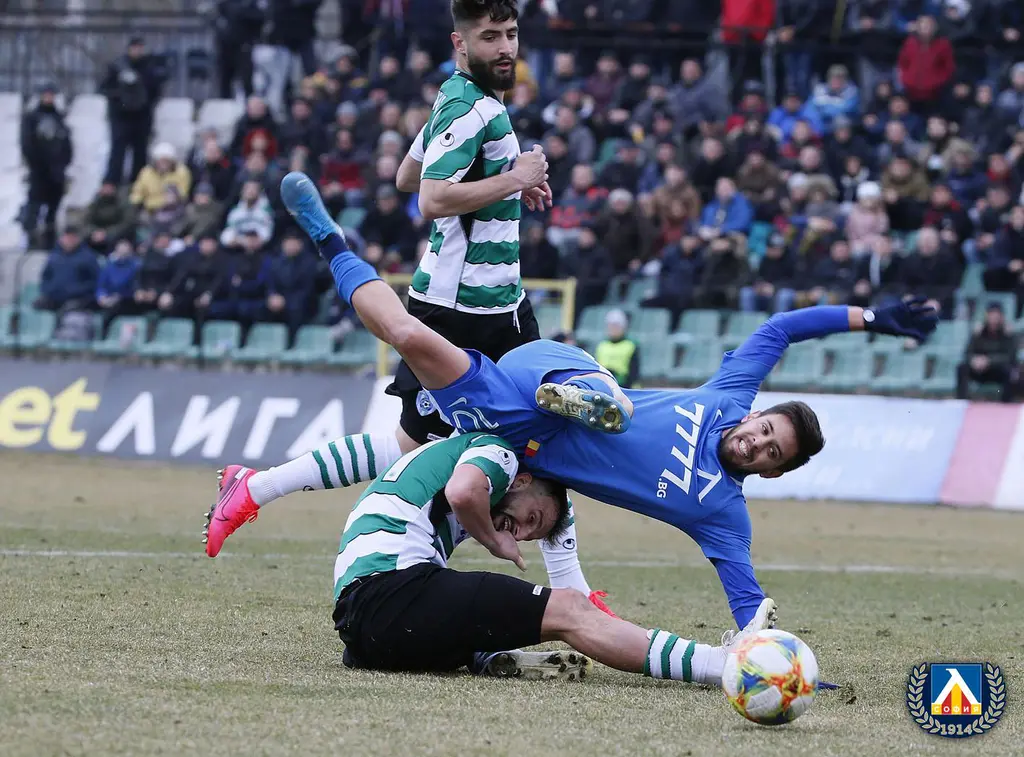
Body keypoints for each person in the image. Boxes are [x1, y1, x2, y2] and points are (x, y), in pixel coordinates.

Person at [218, 172, 939, 632]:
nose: (755, 442)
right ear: (755, 414)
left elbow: (746, 597)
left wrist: (770, 652)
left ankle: (329, 241)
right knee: (600, 409)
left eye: (769, 453)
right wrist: (873, 318)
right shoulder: (726, 398)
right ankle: (588, 398)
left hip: (516, 425)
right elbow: (780, 328)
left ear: (771, 472)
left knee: (407, 341)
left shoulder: (721, 512)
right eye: (764, 428)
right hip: (553, 371)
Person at [204, 0, 608, 618]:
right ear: (459, 43)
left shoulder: (467, 101)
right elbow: (430, 198)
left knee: (522, 434)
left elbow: (405, 174)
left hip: (501, 304)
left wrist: (506, 183)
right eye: (490, 36)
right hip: (461, 311)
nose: (505, 47)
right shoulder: (469, 107)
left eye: (510, 34)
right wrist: (514, 176)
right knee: (474, 438)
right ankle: (256, 486)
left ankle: (256, 486)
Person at [206, 432, 777, 681]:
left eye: (531, 534)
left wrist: (585, 600)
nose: (521, 534)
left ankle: (482, 653)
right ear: (522, 479)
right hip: (390, 595)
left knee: (563, 608)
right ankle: (723, 665)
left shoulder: (457, 449)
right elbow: (463, 494)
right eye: (531, 518)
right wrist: (496, 541)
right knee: (567, 614)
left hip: (367, 631)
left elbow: (573, 586)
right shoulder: (498, 454)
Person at [100, 37, 165, 185]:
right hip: (120, 116)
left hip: (142, 116)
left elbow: (156, 91)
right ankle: (112, 185)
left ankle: (138, 185)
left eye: (140, 47)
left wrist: (144, 100)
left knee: (140, 153)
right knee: (117, 153)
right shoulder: (117, 66)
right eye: (134, 47)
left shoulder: (149, 67)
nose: (137, 51)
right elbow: (105, 88)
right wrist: (121, 97)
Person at [20, 82, 71, 249]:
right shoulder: (32, 118)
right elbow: (27, 143)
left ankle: (49, 240)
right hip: (39, 169)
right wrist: (36, 163)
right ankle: (31, 239)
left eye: (51, 95)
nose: (49, 98)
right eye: (46, 95)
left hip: (57, 170)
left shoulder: (58, 117)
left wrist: (64, 163)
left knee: (53, 207)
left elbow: (66, 143)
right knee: (34, 205)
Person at [956, 303, 1018, 401]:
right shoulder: (978, 333)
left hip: (997, 369)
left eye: (996, 316)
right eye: (991, 316)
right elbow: (967, 353)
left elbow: (1010, 357)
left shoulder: (1008, 334)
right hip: (979, 369)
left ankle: (1006, 404)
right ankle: (962, 401)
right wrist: (974, 360)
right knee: (962, 368)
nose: (994, 319)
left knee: (1010, 372)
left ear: (1001, 317)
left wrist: (989, 360)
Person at [594, 309, 639, 389]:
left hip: (624, 386)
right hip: (604, 385)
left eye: (616, 326)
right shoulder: (601, 345)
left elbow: (634, 371)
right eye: (610, 325)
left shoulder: (630, 345)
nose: (613, 329)